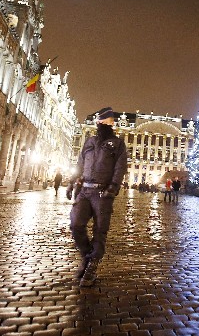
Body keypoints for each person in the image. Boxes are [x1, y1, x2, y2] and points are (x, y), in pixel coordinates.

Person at [66, 107, 128, 287]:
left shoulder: (117, 144)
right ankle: (87, 256)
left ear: (111, 123)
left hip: (102, 192)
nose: (103, 123)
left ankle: (92, 266)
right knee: (76, 224)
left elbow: (120, 167)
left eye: (107, 121)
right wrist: (72, 182)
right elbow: (79, 164)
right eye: (101, 121)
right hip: (85, 190)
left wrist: (113, 187)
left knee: (100, 231)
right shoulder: (90, 141)